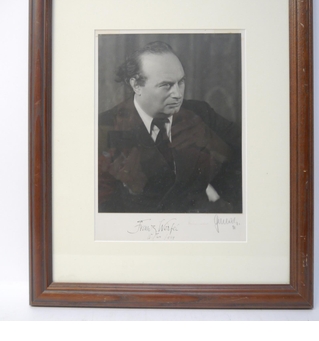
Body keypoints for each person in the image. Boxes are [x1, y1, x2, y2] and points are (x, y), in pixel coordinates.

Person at [98, 41, 242, 213]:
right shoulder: (103, 127)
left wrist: (213, 142)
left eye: (181, 82)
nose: (178, 94)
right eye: (166, 85)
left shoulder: (201, 113)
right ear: (136, 85)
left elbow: (250, 161)